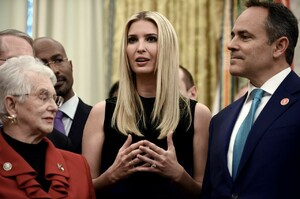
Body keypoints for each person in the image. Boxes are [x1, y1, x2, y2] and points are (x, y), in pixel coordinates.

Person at [82, 11, 211, 199]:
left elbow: (207, 192)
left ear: (167, 46)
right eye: (132, 40)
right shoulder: (102, 112)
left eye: (151, 39)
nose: (140, 48)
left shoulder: (198, 114)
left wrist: (179, 175)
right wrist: (112, 175)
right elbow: (81, 190)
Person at [201, 1, 300, 198]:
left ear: (279, 46)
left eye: (244, 37)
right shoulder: (220, 121)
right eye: (232, 35)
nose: (230, 45)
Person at [0, 56, 96, 198]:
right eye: (43, 97)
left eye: (54, 98)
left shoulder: (78, 166)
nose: (54, 107)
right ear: (12, 105)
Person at [0, 29, 73, 151]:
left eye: (31, 62)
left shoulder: (57, 141)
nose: (27, 69)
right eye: (15, 61)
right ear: (10, 104)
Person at [33, 37, 92, 154]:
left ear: (71, 65)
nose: (54, 70)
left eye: (58, 60)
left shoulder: (96, 118)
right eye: (43, 64)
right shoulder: (26, 123)